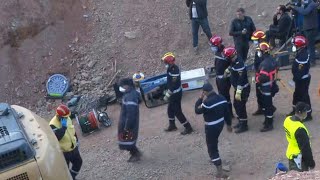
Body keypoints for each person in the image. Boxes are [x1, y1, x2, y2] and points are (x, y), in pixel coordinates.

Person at [194, 83, 232, 178]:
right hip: (220, 124)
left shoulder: (207, 102)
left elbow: (197, 110)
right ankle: (215, 158)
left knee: (212, 148)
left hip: (211, 127)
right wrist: (229, 124)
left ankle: (219, 170)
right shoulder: (222, 98)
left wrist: (200, 99)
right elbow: (227, 112)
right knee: (214, 141)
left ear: (205, 92)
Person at [162, 52, 193, 135]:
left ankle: (188, 127)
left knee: (177, 112)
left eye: (165, 62)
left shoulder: (174, 70)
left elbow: (173, 85)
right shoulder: (171, 68)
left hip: (175, 94)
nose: (165, 64)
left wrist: (167, 95)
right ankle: (172, 125)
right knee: (170, 110)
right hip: (174, 93)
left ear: (169, 62)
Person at [49, 104, 82, 180]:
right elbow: (56, 138)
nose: (67, 118)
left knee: (78, 163)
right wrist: (63, 128)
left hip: (73, 148)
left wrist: (76, 140)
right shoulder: (52, 125)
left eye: (67, 117)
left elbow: (72, 130)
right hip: (63, 152)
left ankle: (72, 177)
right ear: (59, 116)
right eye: (65, 117)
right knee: (64, 170)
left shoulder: (67, 118)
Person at [222, 47, 250, 133]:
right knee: (236, 105)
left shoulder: (239, 64)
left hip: (242, 89)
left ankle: (244, 125)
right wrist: (228, 70)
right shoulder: (234, 60)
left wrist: (238, 90)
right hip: (238, 88)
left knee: (240, 107)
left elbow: (241, 79)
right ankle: (241, 121)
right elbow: (232, 66)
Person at [283, 102, 315, 171]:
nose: (307, 113)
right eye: (306, 111)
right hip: (299, 159)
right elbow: (305, 149)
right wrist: (311, 163)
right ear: (302, 113)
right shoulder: (300, 129)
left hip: (290, 153)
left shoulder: (287, 119)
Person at [287, 35, 312, 121]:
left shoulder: (303, 56)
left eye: (294, 45)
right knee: (296, 95)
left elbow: (300, 72)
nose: (293, 47)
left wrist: (294, 80)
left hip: (302, 80)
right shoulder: (301, 53)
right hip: (299, 79)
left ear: (299, 46)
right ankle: (295, 110)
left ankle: (308, 114)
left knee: (304, 97)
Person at [255, 42, 279, 132]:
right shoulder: (272, 60)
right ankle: (267, 120)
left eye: (259, 51)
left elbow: (263, 78)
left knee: (267, 106)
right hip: (272, 85)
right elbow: (277, 68)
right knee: (268, 104)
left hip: (266, 88)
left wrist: (257, 79)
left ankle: (269, 124)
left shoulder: (264, 64)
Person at [118, 78, 142, 162]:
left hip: (128, 124)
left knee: (127, 140)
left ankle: (135, 155)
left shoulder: (130, 96)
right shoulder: (130, 94)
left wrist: (127, 127)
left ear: (127, 86)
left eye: (122, 86)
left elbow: (131, 113)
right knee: (128, 139)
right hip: (128, 122)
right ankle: (136, 152)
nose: (121, 88)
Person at [209, 35, 234, 117]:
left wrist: (226, 73)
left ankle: (229, 114)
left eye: (214, 45)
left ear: (219, 45)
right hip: (219, 78)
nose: (212, 47)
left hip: (224, 79)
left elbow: (232, 64)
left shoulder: (225, 53)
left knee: (225, 97)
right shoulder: (219, 52)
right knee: (222, 96)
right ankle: (226, 113)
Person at [291, 0, 320, 66]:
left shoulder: (312, 4)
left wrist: (295, 7)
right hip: (307, 28)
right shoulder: (308, 4)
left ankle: (312, 61)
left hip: (311, 28)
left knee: (310, 46)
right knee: (307, 45)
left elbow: (305, 12)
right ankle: (308, 59)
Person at [251, 30, 267, 115]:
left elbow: (264, 65)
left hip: (263, 76)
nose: (254, 42)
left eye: (255, 40)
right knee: (258, 93)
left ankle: (267, 109)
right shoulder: (259, 48)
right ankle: (260, 108)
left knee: (264, 94)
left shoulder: (264, 49)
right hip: (258, 75)